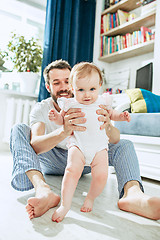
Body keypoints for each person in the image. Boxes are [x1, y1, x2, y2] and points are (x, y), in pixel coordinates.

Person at [10, 59, 160, 221]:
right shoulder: (43, 108)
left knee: (125, 144)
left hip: (90, 159)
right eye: (56, 83)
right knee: (18, 129)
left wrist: (108, 125)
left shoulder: (97, 103)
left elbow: (115, 139)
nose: (64, 87)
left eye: (67, 81)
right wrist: (64, 131)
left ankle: (133, 194)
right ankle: (43, 191)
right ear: (48, 87)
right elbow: (36, 145)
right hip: (54, 158)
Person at [48, 62, 131, 222]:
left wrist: (121, 116)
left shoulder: (102, 101)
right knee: (71, 171)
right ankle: (65, 205)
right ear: (72, 88)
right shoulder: (70, 103)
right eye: (81, 90)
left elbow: (112, 114)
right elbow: (62, 120)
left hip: (99, 148)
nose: (87, 95)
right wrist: (56, 118)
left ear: (99, 86)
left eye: (92, 89)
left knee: (101, 176)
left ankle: (91, 197)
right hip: (78, 145)